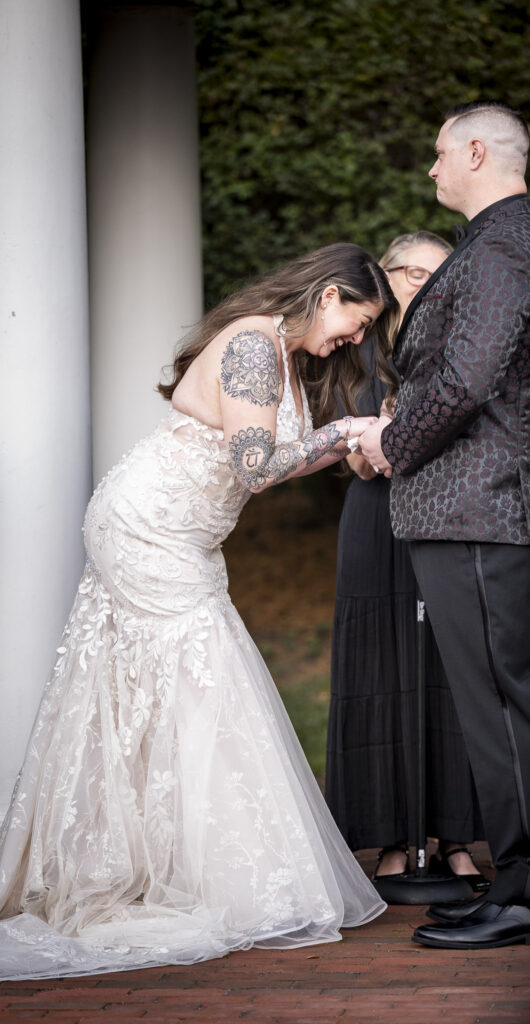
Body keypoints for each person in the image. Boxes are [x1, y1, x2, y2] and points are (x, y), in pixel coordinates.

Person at [0, 243, 397, 980]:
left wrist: (342, 443)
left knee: (171, 686)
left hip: (180, 530)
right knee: (205, 674)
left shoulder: (277, 350)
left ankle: (166, 859)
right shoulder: (252, 345)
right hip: (149, 526)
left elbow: (266, 463)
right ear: (331, 293)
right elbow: (255, 467)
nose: (356, 339)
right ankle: (210, 874)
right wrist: (345, 432)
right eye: (359, 321)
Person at [359, 102, 530, 949]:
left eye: (439, 153)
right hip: (476, 509)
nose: (431, 169)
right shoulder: (505, 245)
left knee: (502, 707)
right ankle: (522, 886)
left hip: (478, 510)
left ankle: (528, 897)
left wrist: (389, 442)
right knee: (504, 704)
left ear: (477, 150)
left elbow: (458, 381)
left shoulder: (502, 248)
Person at [325, 231, 490, 890]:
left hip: (450, 518)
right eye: (411, 273)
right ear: (385, 278)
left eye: (437, 273)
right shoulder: (355, 354)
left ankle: (453, 836)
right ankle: (389, 837)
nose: (424, 284)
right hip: (375, 520)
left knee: (453, 673)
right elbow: (358, 460)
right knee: (379, 669)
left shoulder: (466, 351)